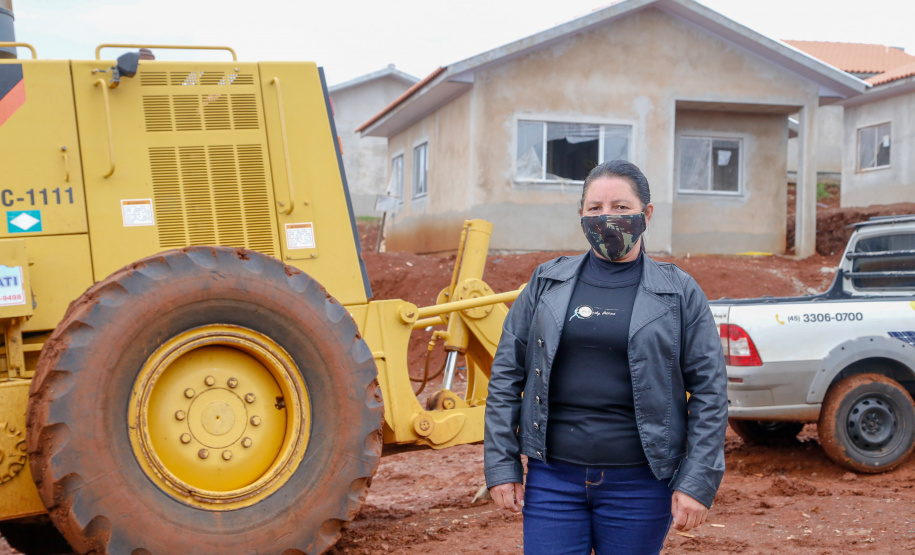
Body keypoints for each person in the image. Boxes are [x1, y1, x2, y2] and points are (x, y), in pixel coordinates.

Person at [483, 160, 727, 554]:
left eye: (620, 206)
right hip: (552, 479)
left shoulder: (679, 292)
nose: (606, 217)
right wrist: (501, 466)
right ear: (581, 215)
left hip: (641, 485)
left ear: (646, 214)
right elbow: (506, 377)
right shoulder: (547, 282)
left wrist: (696, 481)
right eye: (595, 208)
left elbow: (711, 393)